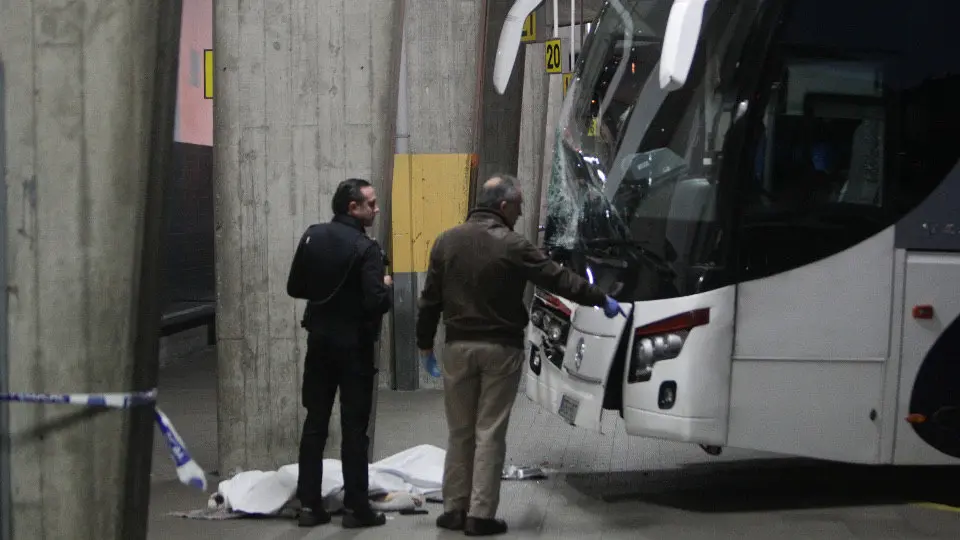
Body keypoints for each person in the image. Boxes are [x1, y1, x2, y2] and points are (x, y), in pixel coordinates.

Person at [416, 174, 622, 536]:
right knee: (489, 432)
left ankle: (453, 509)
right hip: (500, 350)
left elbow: (430, 298)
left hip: (458, 348)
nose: (521, 212)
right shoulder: (513, 244)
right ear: (503, 206)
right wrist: (599, 298)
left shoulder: (446, 242)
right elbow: (558, 279)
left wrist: (423, 344)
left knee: (460, 432)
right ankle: (480, 515)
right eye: (519, 206)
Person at [286, 178, 393, 528]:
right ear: (353, 208)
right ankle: (356, 508)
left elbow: (295, 287)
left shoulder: (312, 236)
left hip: (318, 345)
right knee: (353, 429)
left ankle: (309, 507)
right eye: (371, 204)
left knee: (315, 423)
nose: (376, 209)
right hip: (355, 351)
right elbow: (375, 302)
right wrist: (386, 287)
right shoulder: (367, 249)